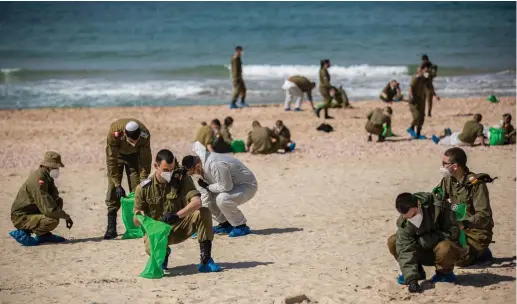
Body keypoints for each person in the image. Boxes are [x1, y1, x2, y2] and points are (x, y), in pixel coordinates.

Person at [133, 149, 221, 272]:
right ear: (156, 166)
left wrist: (176, 215)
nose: (169, 173)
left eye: (171, 169)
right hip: (157, 233)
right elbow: (136, 221)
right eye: (165, 170)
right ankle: (163, 254)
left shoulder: (182, 179)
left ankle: (206, 260)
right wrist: (139, 218)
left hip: (179, 226)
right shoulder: (143, 188)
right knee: (151, 249)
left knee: (203, 212)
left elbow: (197, 202)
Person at [387, 192, 466, 293]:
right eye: (408, 217)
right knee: (394, 240)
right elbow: (404, 249)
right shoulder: (405, 222)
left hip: (446, 253)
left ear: (419, 204)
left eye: (414, 214)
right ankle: (416, 272)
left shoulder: (438, 207)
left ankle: (444, 274)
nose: (412, 219)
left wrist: (427, 240)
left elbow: (453, 232)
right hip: (424, 253)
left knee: (445, 247)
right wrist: (412, 280)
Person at [435, 147, 496, 267]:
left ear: (455, 166)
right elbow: (436, 198)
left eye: (445, 164)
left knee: (457, 260)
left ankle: (482, 253)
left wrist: (465, 223)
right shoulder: (448, 180)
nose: (442, 166)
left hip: (475, 231)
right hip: (456, 228)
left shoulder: (477, 185)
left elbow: (483, 215)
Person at [182, 142, 258, 237]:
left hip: (247, 186)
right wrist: (201, 225)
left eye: (192, 173)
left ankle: (241, 226)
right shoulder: (201, 167)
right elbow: (205, 197)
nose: (193, 175)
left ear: (197, 166)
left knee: (222, 199)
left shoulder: (214, 164)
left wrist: (208, 187)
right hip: (231, 186)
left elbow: (226, 187)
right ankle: (225, 224)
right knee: (210, 198)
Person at [9, 151, 73, 246]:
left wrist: (62, 213)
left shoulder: (46, 176)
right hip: (21, 217)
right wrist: (66, 216)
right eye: (56, 167)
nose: (57, 169)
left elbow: (53, 198)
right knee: (53, 220)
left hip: (32, 211)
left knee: (58, 202)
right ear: (49, 166)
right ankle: (24, 231)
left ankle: (44, 235)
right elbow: (48, 209)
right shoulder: (39, 180)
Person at [104, 119, 151, 240]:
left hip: (134, 157)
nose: (134, 142)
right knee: (112, 190)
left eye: (136, 140)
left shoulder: (145, 135)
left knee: (137, 190)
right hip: (117, 156)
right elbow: (111, 160)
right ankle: (111, 228)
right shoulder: (114, 134)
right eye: (131, 141)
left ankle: (137, 226)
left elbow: (145, 160)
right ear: (125, 134)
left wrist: (143, 181)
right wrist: (117, 184)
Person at [408, 66, 433, 139]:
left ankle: (418, 134)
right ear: (420, 71)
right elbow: (411, 88)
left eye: (427, 71)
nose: (426, 72)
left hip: (421, 99)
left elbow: (429, 83)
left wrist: (428, 74)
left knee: (422, 117)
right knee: (417, 116)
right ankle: (411, 128)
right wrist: (412, 97)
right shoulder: (416, 77)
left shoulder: (424, 78)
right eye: (425, 71)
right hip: (414, 100)